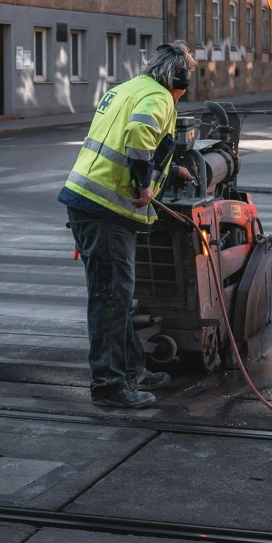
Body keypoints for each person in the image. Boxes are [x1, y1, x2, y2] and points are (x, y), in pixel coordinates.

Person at [58, 41, 197, 408]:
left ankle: (134, 367)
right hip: (106, 209)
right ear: (179, 75)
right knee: (110, 299)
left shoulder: (128, 88)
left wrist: (169, 173)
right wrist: (144, 184)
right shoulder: (160, 98)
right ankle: (108, 386)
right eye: (190, 72)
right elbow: (138, 136)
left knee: (114, 295)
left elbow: (119, 141)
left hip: (89, 201)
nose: (189, 79)